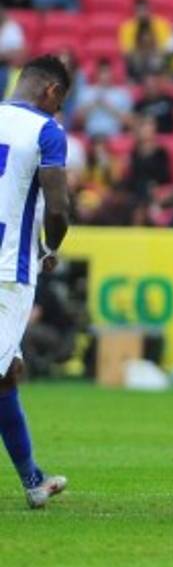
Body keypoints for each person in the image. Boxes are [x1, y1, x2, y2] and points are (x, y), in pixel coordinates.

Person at [0, 56, 70, 508]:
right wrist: (50, 248)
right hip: (8, 271)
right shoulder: (46, 131)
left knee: (7, 372)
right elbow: (58, 208)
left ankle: (33, 480)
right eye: (59, 102)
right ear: (50, 91)